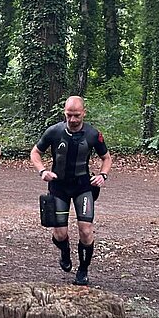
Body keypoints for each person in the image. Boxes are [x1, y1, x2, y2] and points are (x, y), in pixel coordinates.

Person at [30, 95, 112, 286]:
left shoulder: (93, 134)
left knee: (86, 230)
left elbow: (106, 158)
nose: (73, 120)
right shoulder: (54, 132)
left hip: (84, 186)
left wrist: (103, 175)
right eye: (69, 115)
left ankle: (83, 270)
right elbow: (35, 152)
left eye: (76, 115)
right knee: (59, 234)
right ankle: (65, 251)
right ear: (64, 113)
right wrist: (42, 171)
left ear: (84, 112)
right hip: (59, 186)